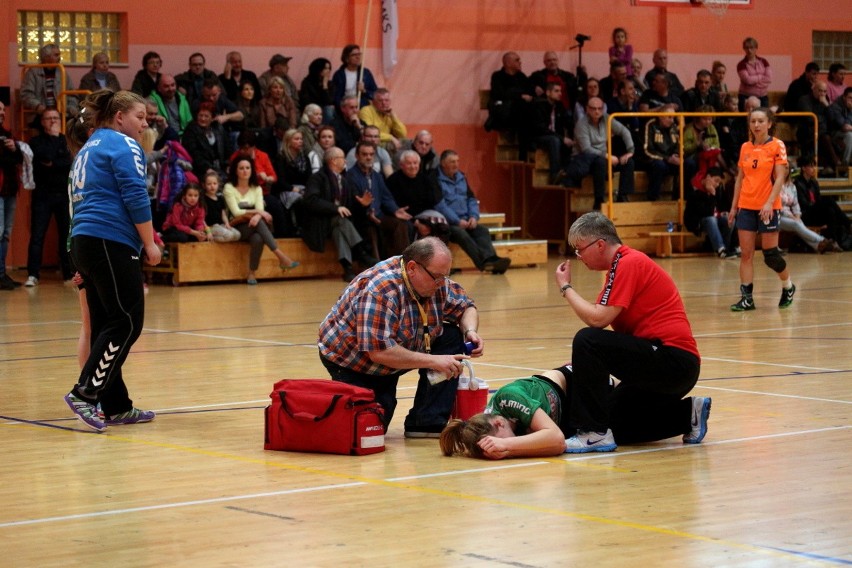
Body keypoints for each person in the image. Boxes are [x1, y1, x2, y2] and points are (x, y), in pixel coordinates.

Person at [555, 212, 707, 453]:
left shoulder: (629, 262)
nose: (579, 256)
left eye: (579, 249)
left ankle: (593, 433)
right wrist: (585, 365)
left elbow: (597, 320)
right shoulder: (617, 269)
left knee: (587, 339)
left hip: (674, 362)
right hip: (661, 365)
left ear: (600, 244)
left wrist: (566, 287)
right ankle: (688, 415)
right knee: (613, 424)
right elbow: (601, 323)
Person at [64, 89, 162, 431]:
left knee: (108, 322)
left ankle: (117, 405)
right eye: (140, 116)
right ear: (119, 117)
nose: (144, 123)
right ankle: (85, 394)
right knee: (126, 321)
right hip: (110, 239)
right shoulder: (124, 145)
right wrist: (149, 242)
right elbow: (135, 192)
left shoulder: (88, 148)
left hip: (84, 241)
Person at [317, 236, 482, 436]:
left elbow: (467, 306)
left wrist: (470, 331)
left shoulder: (435, 281)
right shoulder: (380, 289)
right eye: (437, 277)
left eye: (445, 277)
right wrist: (434, 361)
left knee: (452, 336)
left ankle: (426, 422)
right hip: (353, 361)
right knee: (371, 429)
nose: (442, 283)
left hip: (398, 349)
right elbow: (379, 352)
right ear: (412, 268)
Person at [728, 107, 795, 311]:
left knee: (771, 255)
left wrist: (768, 203)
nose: (756, 125)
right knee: (746, 255)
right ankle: (747, 298)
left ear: (769, 123)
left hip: (768, 207)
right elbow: (740, 179)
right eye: (753, 121)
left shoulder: (777, 145)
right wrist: (733, 207)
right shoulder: (745, 147)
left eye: (760, 121)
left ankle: (788, 286)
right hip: (746, 206)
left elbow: (781, 177)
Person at [441, 368, 574, 459]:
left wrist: (506, 445)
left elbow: (557, 439)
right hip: (570, 414)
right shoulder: (495, 427)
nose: (500, 447)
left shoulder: (508, 398)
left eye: (499, 442)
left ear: (499, 423)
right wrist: (508, 451)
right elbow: (557, 448)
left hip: (573, 382)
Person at [301, 146, 377, 281]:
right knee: (341, 219)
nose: (346, 161)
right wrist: (335, 208)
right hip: (319, 223)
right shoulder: (317, 178)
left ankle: (347, 268)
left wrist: (362, 204)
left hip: (337, 224)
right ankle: (361, 252)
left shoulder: (344, 180)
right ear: (334, 161)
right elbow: (311, 201)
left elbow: (350, 209)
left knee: (340, 228)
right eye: (342, 158)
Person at [222, 155, 299, 285]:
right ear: (236, 171)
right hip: (236, 226)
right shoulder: (229, 187)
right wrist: (258, 212)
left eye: (248, 168)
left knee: (258, 237)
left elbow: (260, 209)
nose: (245, 171)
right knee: (260, 224)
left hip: (253, 225)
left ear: (252, 170)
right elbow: (236, 212)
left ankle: (252, 273)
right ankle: (281, 257)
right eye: (241, 168)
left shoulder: (256, 188)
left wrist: (258, 214)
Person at [433, 149, 511, 272]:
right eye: (452, 162)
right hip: (449, 223)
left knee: (482, 231)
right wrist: (457, 221)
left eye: (457, 161)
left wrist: (474, 217)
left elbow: (471, 199)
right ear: (443, 163)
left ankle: (492, 259)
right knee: (462, 234)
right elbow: (440, 206)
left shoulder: (461, 177)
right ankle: (484, 264)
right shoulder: (435, 179)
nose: (456, 165)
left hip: (466, 219)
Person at [25, 109, 74, 286]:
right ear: (42, 121)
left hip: (63, 194)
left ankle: (68, 274)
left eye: (56, 118)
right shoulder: (35, 141)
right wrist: (55, 152)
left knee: (66, 235)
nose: (53, 121)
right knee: (38, 235)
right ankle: (33, 274)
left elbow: (69, 162)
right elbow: (44, 157)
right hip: (42, 195)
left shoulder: (65, 140)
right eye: (49, 118)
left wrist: (54, 163)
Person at [566, 96, 636, 208]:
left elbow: (624, 131)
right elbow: (586, 149)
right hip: (586, 160)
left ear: (603, 109)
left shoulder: (607, 118)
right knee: (600, 162)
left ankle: (622, 196)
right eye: (593, 108)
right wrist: (607, 156)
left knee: (628, 162)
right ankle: (599, 199)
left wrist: (630, 151)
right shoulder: (581, 124)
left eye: (599, 108)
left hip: (604, 157)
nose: (597, 111)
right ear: (587, 109)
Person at [345, 141, 411, 258]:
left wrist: (395, 210)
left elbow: (386, 197)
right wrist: (367, 211)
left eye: (371, 154)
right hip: (361, 218)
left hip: (379, 216)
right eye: (364, 154)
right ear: (357, 156)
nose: (368, 157)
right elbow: (352, 201)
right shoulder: (350, 176)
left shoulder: (377, 175)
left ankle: (401, 263)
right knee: (370, 230)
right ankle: (376, 269)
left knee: (400, 224)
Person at [794, 155, 851, 249]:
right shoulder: (798, 183)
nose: (813, 169)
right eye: (811, 166)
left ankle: (833, 240)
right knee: (829, 201)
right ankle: (848, 223)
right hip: (805, 214)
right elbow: (803, 204)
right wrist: (817, 205)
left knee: (830, 211)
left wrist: (818, 206)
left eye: (814, 166)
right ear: (803, 168)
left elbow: (819, 199)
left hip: (816, 212)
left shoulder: (814, 183)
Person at [779, 169, 838, 253]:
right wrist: (791, 216)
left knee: (798, 223)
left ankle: (818, 246)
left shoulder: (792, 186)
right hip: (778, 216)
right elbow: (777, 206)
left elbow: (796, 204)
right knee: (796, 224)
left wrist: (797, 215)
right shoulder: (774, 185)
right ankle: (821, 240)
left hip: (791, 215)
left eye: (787, 168)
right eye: (783, 167)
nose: (785, 170)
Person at [684, 167, 736, 258]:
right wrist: (712, 194)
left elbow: (723, 206)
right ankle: (720, 249)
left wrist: (724, 213)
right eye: (716, 181)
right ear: (708, 177)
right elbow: (706, 212)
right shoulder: (694, 189)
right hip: (697, 221)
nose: (717, 184)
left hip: (713, 218)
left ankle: (726, 248)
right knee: (711, 219)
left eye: (719, 182)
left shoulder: (718, 189)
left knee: (729, 219)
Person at [0, 101, 24, 291]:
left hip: (9, 190)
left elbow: (18, 160)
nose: (2, 112)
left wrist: (15, 149)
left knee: (6, 233)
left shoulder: (7, 134)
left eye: (2, 109)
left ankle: (2, 274)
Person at [530, 82, 574, 185]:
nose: (560, 94)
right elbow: (540, 128)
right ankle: (554, 175)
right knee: (554, 140)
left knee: (569, 143)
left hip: (555, 137)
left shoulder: (559, 106)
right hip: (538, 137)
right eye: (556, 91)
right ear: (548, 92)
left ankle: (566, 174)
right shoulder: (538, 105)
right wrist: (562, 138)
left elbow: (568, 123)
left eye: (561, 91)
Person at [21, 43, 78, 118]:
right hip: (39, 115)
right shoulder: (33, 72)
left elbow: (71, 94)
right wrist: (38, 106)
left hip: (61, 113)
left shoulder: (62, 72)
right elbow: (26, 95)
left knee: (80, 122)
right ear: (46, 57)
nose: (59, 58)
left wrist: (71, 107)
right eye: (56, 55)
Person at [639, 105, 680, 202]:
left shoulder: (673, 127)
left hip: (670, 159)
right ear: (660, 116)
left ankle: (680, 196)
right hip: (652, 159)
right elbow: (647, 150)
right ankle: (652, 198)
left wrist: (677, 155)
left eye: (673, 117)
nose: (672, 121)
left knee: (688, 164)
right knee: (659, 165)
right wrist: (667, 158)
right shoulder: (650, 125)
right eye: (669, 117)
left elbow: (679, 144)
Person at [181, 102, 228, 179]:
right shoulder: (191, 130)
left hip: (220, 167)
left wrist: (227, 165)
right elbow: (194, 153)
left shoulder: (218, 128)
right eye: (200, 115)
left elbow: (227, 148)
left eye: (206, 116)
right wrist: (207, 169)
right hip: (200, 169)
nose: (203, 119)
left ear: (212, 118)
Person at [358, 88, 408, 154]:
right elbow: (369, 133)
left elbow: (402, 135)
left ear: (390, 102)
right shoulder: (366, 111)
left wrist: (393, 117)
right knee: (396, 147)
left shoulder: (390, 114)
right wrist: (390, 137)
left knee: (409, 143)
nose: (384, 103)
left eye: (386, 100)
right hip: (371, 143)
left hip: (386, 143)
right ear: (374, 101)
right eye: (380, 100)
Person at [331, 45, 378, 109]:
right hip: (345, 106)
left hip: (362, 106)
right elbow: (335, 96)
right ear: (347, 58)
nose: (358, 57)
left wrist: (364, 90)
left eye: (359, 54)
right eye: (354, 55)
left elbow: (375, 94)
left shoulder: (365, 73)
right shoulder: (339, 75)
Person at [201, 171, 240, 242]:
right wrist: (208, 231)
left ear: (218, 184)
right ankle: (209, 237)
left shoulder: (220, 198)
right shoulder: (203, 199)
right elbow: (201, 218)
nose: (212, 186)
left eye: (214, 183)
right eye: (209, 184)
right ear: (204, 185)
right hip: (210, 227)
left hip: (220, 225)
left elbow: (223, 214)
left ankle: (214, 238)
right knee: (229, 235)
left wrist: (227, 224)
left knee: (237, 235)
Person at [736, 37, 772, 110]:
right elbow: (748, 80)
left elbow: (769, 78)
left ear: (756, 48)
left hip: (763, 97)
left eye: (751, 47)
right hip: (746, 96)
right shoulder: (741, 64)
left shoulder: (764, 61)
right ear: (744, 49)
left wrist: (755, 82)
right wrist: (760, 77)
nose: (749, 50)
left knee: (765, 117)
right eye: (747, 48)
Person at [299, 57, 336, 122]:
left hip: (325, 110)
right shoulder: (307, 83)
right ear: (318, 69)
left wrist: (324, 85)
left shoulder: (330, 84)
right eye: (325, 68)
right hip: (312, 109)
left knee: (329, 109)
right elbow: (306, 101)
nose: (328, 71)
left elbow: (329, 102)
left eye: (329, 68)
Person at [828, 87, 852, 175]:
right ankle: (844, 166)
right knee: (849, 136)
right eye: (850, 98)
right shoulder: (835, 107)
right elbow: (844, 126)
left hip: (845, 132)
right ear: (844, 97)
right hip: (834, 134)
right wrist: (850, 112)